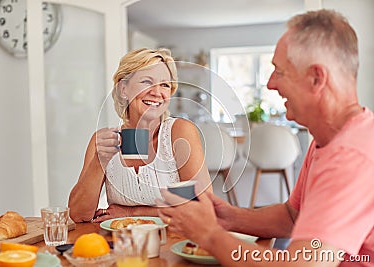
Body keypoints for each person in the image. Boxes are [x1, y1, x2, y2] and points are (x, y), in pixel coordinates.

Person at [158, 9, 374, 267]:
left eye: (279, 71)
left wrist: (208, 234)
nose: (271, 84)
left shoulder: (353, 155)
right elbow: (292, 217)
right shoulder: (328, 138)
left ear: (316, 78)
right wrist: (227, 216)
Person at [69, 48, 211, 223]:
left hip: (173, 242)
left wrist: (133, 213)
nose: (157, 92)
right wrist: (99, 162)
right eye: (146, 81)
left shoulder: (179, 132)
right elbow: (78, 215)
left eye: (165, 85)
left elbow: (203, 206)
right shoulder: (103, 141)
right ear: (123, 89)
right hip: (122, 244)